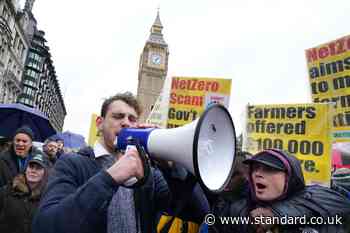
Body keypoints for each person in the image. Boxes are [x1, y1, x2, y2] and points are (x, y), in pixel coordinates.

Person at [33, 92, 193, 233]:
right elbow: (46, 225)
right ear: (99, 123)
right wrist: (110, 178)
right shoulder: (72, 163)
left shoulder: (146, 172)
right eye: (118, 116)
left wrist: (171, 168)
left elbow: (191, 209)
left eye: (132, 119)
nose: (126, 123)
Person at [211, 149, 350, 233]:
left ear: (290, 176)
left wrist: (277, 214)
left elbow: (340, 203)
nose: (258, 174)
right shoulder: (237, 207)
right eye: (255, 168)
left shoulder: (319, 195)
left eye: (269, 169)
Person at [0, 152, 49, 233]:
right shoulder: (7, 191)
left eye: (38, 168)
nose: (33, 171)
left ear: (45, 173)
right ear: (25, 169)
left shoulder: (47, 197)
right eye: (31, 167)